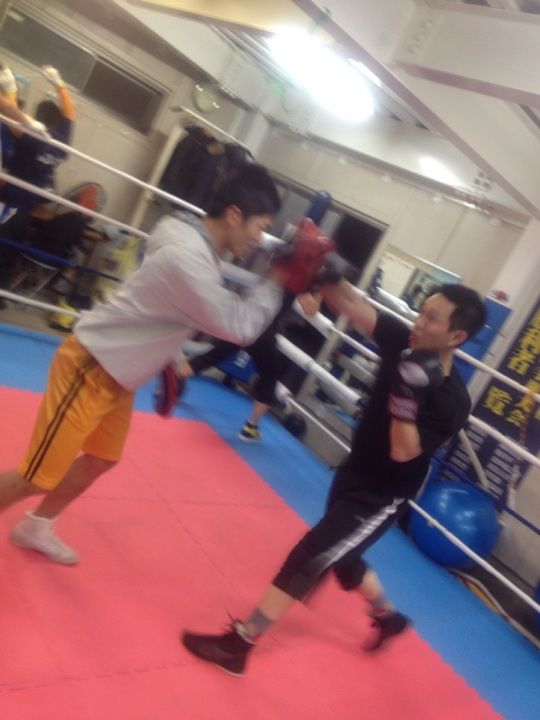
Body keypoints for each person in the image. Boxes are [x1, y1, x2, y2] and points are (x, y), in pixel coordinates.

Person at [0, 162, 332, 566]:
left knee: (102, 458)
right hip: (91, 365)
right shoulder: (187, 258)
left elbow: (169, 307)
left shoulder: (192, 235)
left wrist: (282, 249)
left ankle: (36, 526)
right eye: (259, 226)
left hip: (120, 374)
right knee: (36, 474)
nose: (259, 237)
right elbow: (238, 325)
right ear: (234, 214)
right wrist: (280, 276)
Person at [181, 282, 487, 675]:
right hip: (355, 468)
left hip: (382, 494)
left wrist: (406, 396)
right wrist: (324, 276)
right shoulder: (404, 341)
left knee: (312, 554)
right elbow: (354, 305)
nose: (419, 322)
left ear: (456, 337)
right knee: (342, 557)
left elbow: (403, 450)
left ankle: (240, 644)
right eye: (422, 311)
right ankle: (390, 618)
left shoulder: (453, 400)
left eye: (432, 319)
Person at [176, 291, 321, 443]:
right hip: (262, 331)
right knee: (270, 377)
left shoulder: (281, 275)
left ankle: (172, 379)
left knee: (213, 356)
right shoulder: (301, 281)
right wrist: (319, 293)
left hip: (244, 321)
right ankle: (251, 427)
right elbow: (311, 310)